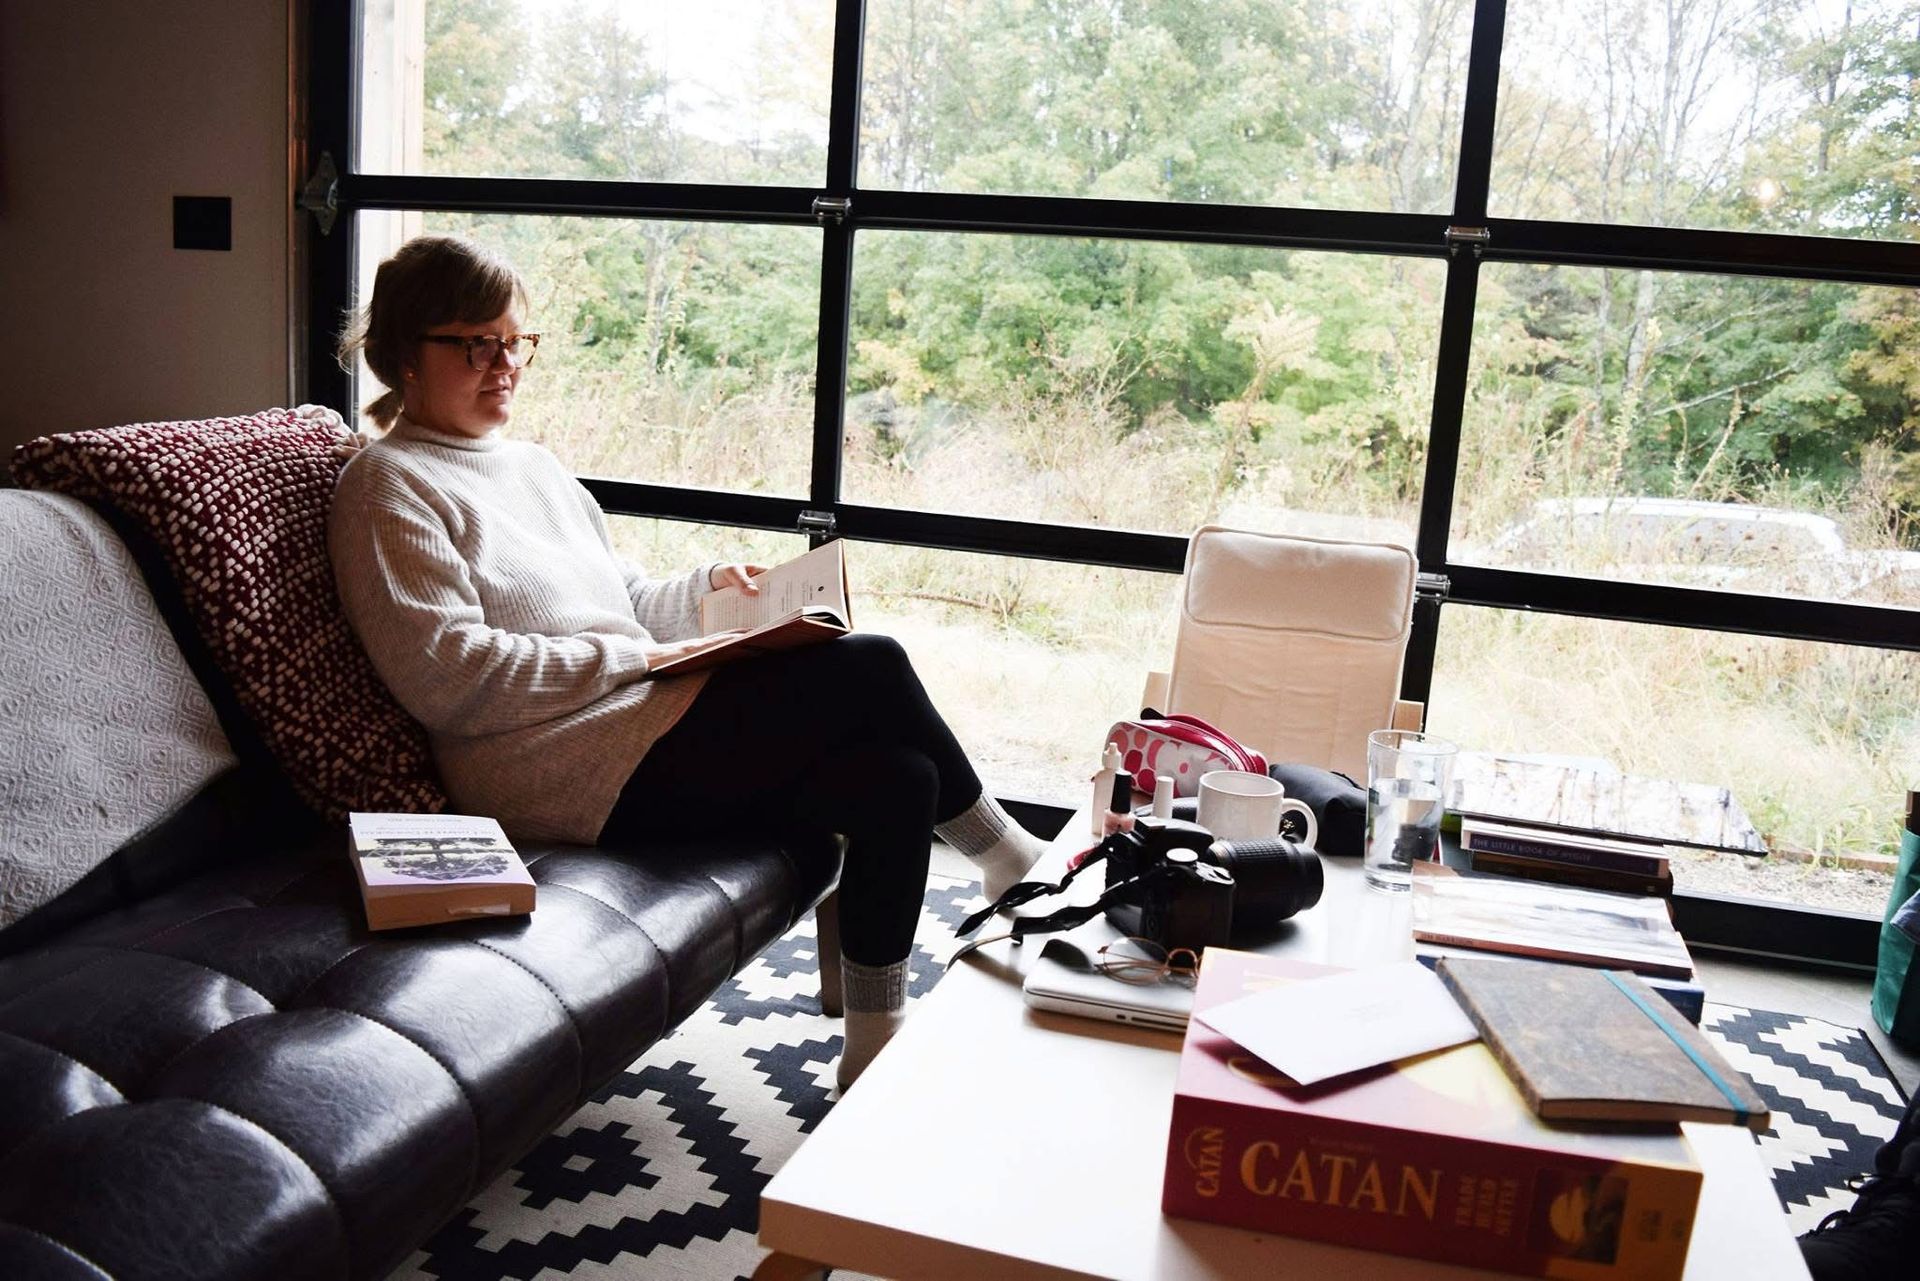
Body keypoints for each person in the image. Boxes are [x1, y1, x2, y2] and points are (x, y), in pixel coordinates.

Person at [327, 235, 1048, 1088]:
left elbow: (619, 594)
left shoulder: (532, 465)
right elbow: (450, 678)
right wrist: (639, 658)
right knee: (872, 664)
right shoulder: (387, 486)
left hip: (637, 720)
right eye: (476, 344)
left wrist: (715, 594)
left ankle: (871, 1046)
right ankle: (1011, 861)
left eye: (517, 341)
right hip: (548, 767)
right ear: (406, 352)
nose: (505, 364)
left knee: (898, 778)